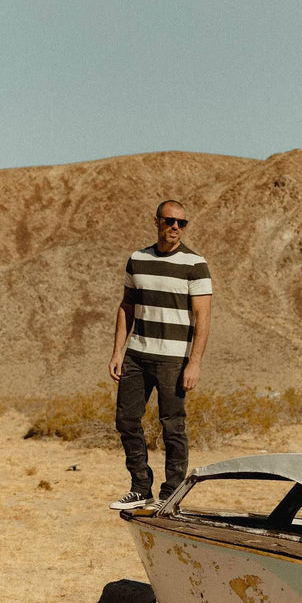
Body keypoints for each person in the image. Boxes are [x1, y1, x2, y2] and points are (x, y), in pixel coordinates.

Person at [108, 200, 212, 510]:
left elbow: (203, 317)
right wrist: (117, 351)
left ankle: (171, 493)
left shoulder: (195, 264)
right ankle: (141, 487)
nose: (175, 227)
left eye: (182, 223)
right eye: (169, 221)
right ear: (157, 221)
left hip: (174, 358)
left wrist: (194, 362)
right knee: (126, 420)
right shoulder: (137, 259)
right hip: (137, 355)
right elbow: (127, 306)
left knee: (172, 425)